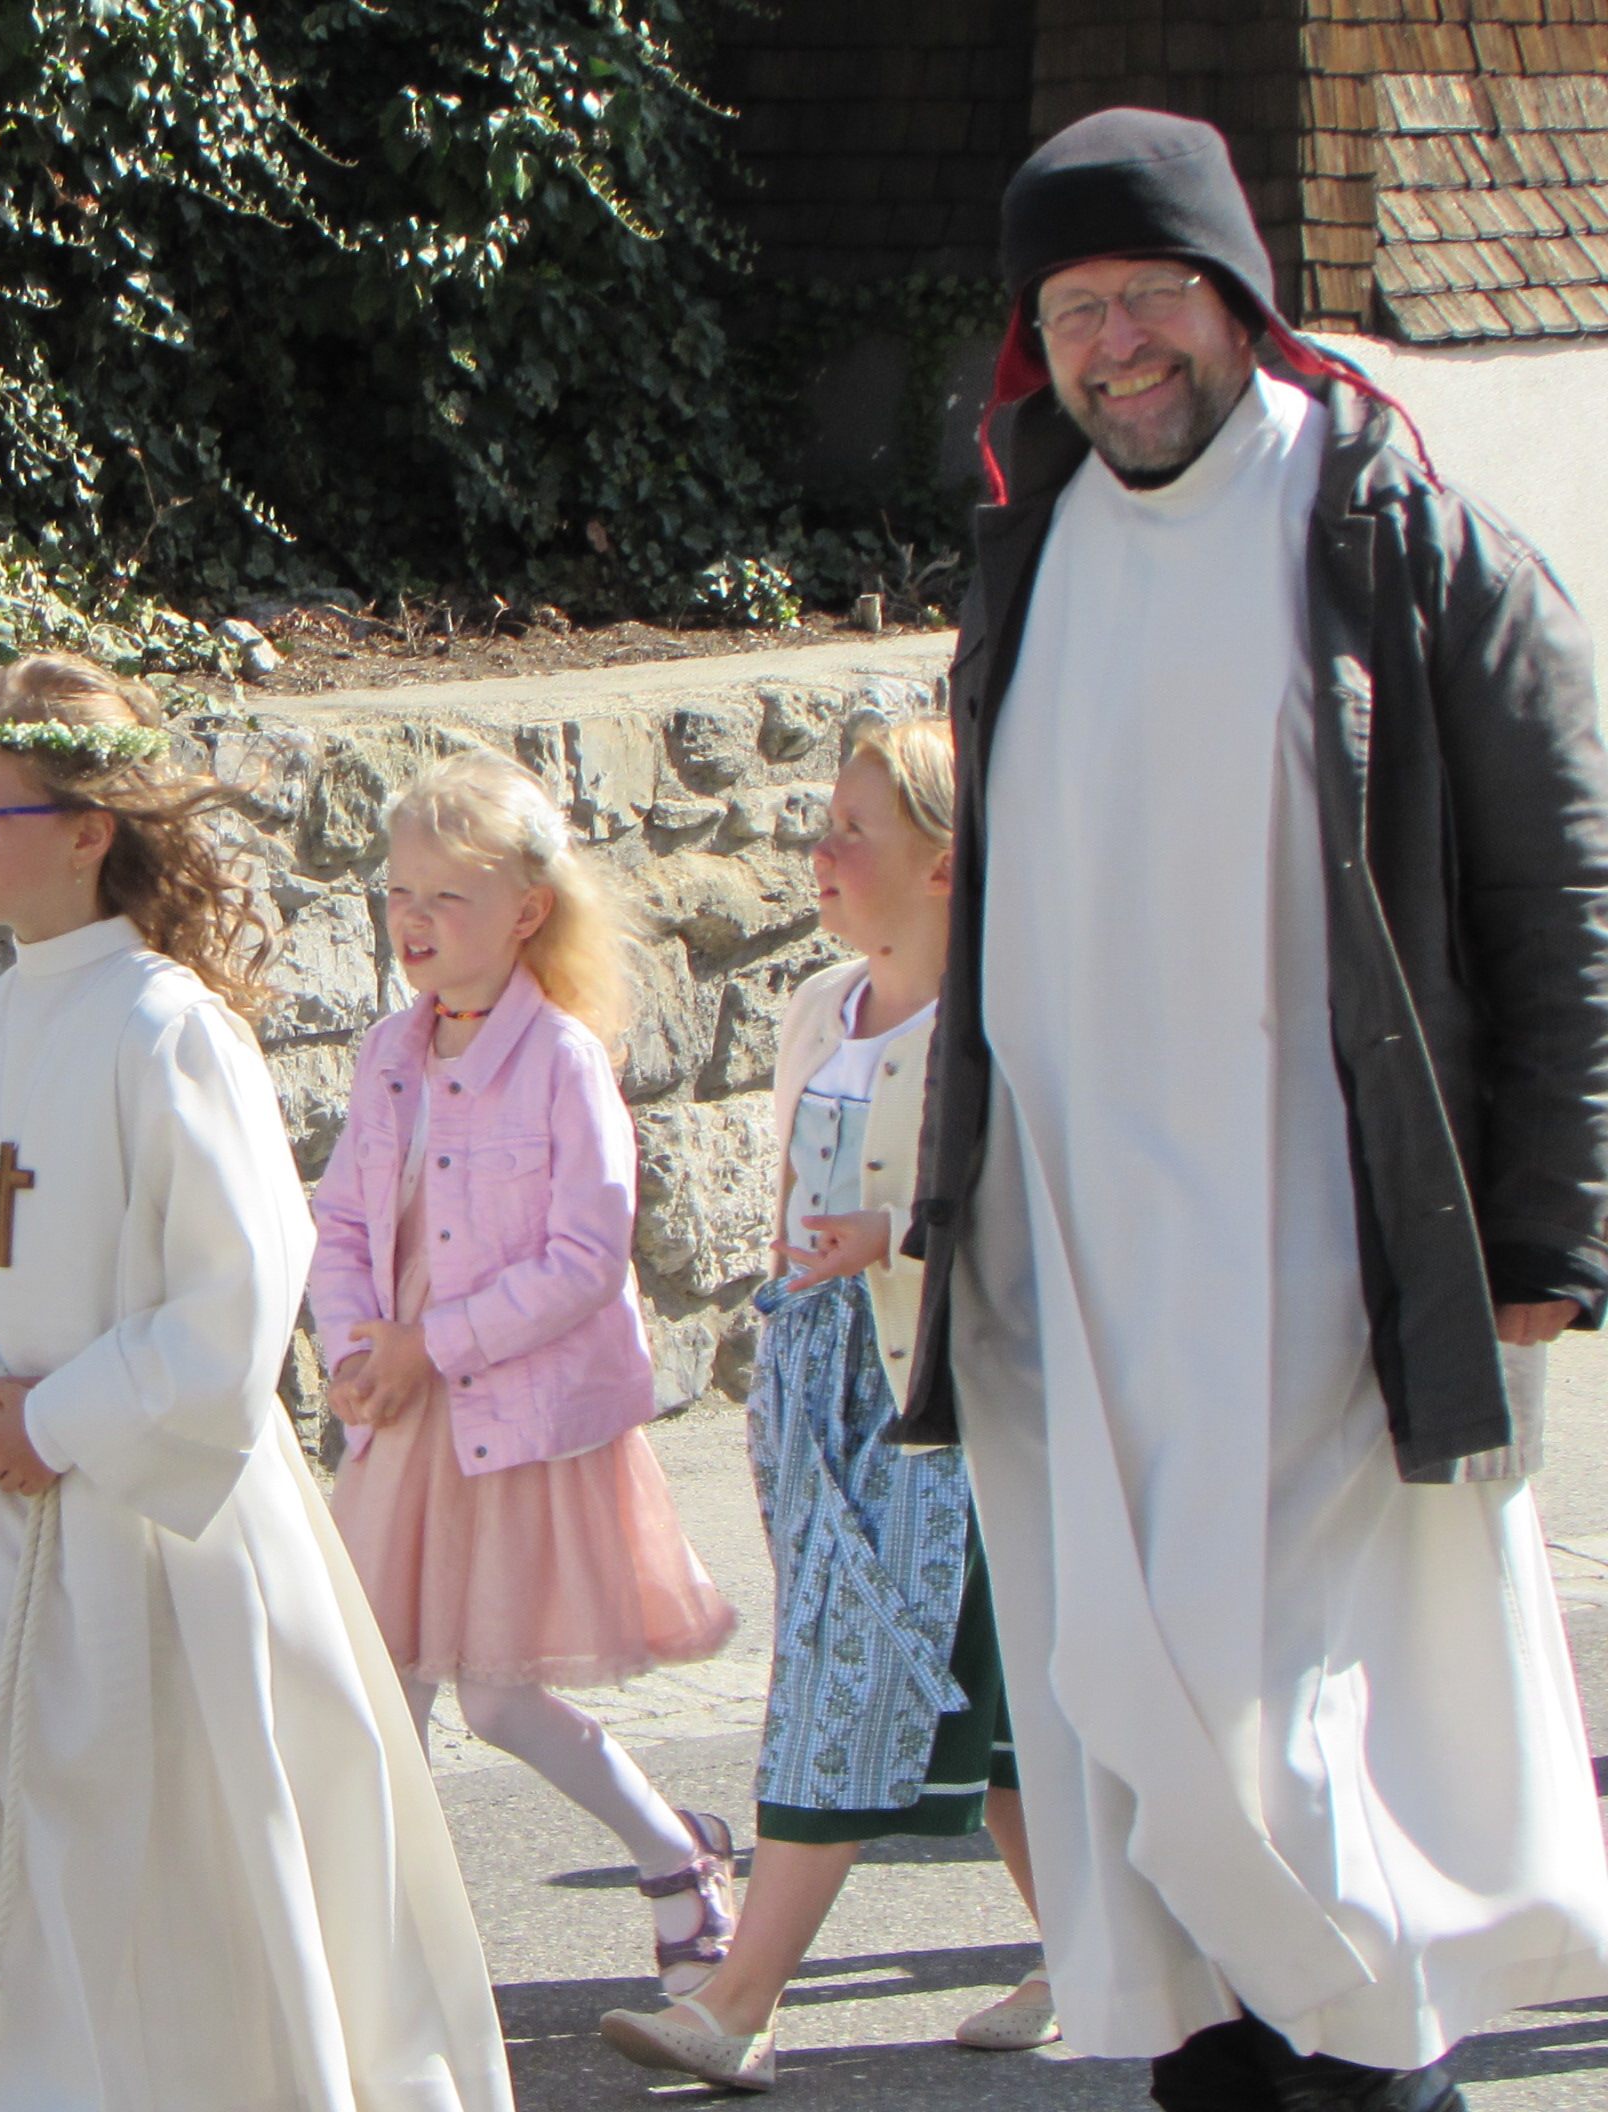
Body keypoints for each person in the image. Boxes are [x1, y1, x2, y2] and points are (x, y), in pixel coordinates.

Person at [897, 108, 1608, 2111]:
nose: (1115, 347)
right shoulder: (1026, 547)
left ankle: (1389, 2082)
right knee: (1133, 1781)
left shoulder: (1396, 537)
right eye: (1072, 310)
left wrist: (1550, 1234)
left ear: (1234, 298)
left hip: (1317, 1264)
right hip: (1068, 1275)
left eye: (1146, 298)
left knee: (1281, 1757)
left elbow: (1554, 893)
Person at [0, 655, 514, 2111]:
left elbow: (235, 1300)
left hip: (158, 1536)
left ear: (88, 830)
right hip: (1, 1530)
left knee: (180, 1861)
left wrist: (59, 1420)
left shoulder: (172, 1029)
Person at [603, 718, 1052, 2090]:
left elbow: (1042, 1223)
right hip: (827, 1390)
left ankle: (737, 2001)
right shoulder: (818, 1006)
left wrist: (900, 1242)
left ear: (944, 863)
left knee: (843, 1679)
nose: (822, 852)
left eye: (856, 828)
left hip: (943, 1403)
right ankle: (1104, 1944)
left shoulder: (997, 1025)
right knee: (982, 1703)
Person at [309, 749, 739, 1999]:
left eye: (446, 898)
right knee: (380, 1695)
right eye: (398, 894)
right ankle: (379, 1958)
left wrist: (426, 1347)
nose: (412, 922)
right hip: (403, 1428)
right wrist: (350, 1344)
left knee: (495, 1704)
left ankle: (672, 1857)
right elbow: (341, 1225)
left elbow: (584, 1258)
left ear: (524, 911)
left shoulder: (560, 1061)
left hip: (511, 1427)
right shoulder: (388, 1050)